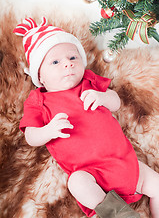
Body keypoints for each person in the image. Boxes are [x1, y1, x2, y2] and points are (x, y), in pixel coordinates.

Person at [13, 17, 159, 218]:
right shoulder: (39, 100)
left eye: (73, 58)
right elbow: (30, 136)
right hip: (90, 174)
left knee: (157, 185)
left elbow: (116, 103)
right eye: (55, 62)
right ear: (41, 77)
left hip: (125, 163)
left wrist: (102, 97)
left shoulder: (89, 81)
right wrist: (48, 130)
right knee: (76, 182)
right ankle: (120, 214)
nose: (68, 64)